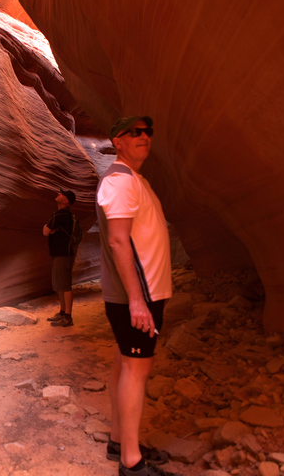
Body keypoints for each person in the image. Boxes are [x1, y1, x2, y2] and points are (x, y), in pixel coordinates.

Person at [96, 116, 179, 476]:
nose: (144, 137)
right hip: (137, 295)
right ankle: (131, 462)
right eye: (134, 132)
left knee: (123, 364)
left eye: (148, 132)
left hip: (141, 293)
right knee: (135, 369)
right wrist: (136, 300)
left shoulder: (133, 180)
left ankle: (119, 441)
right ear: (118, 141)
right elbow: (118, 240)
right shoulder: (119, 180)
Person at [43, 190, 77, 327]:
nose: (58, 193)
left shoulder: (61, 214)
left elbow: (45, 231)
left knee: (65, 286)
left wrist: (48, 228)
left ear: (66, 201)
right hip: (62, 254)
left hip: (63, 254)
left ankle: (67, 317)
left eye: (62, 194)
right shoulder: (67, 215)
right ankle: (62, 313)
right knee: (61, 286)